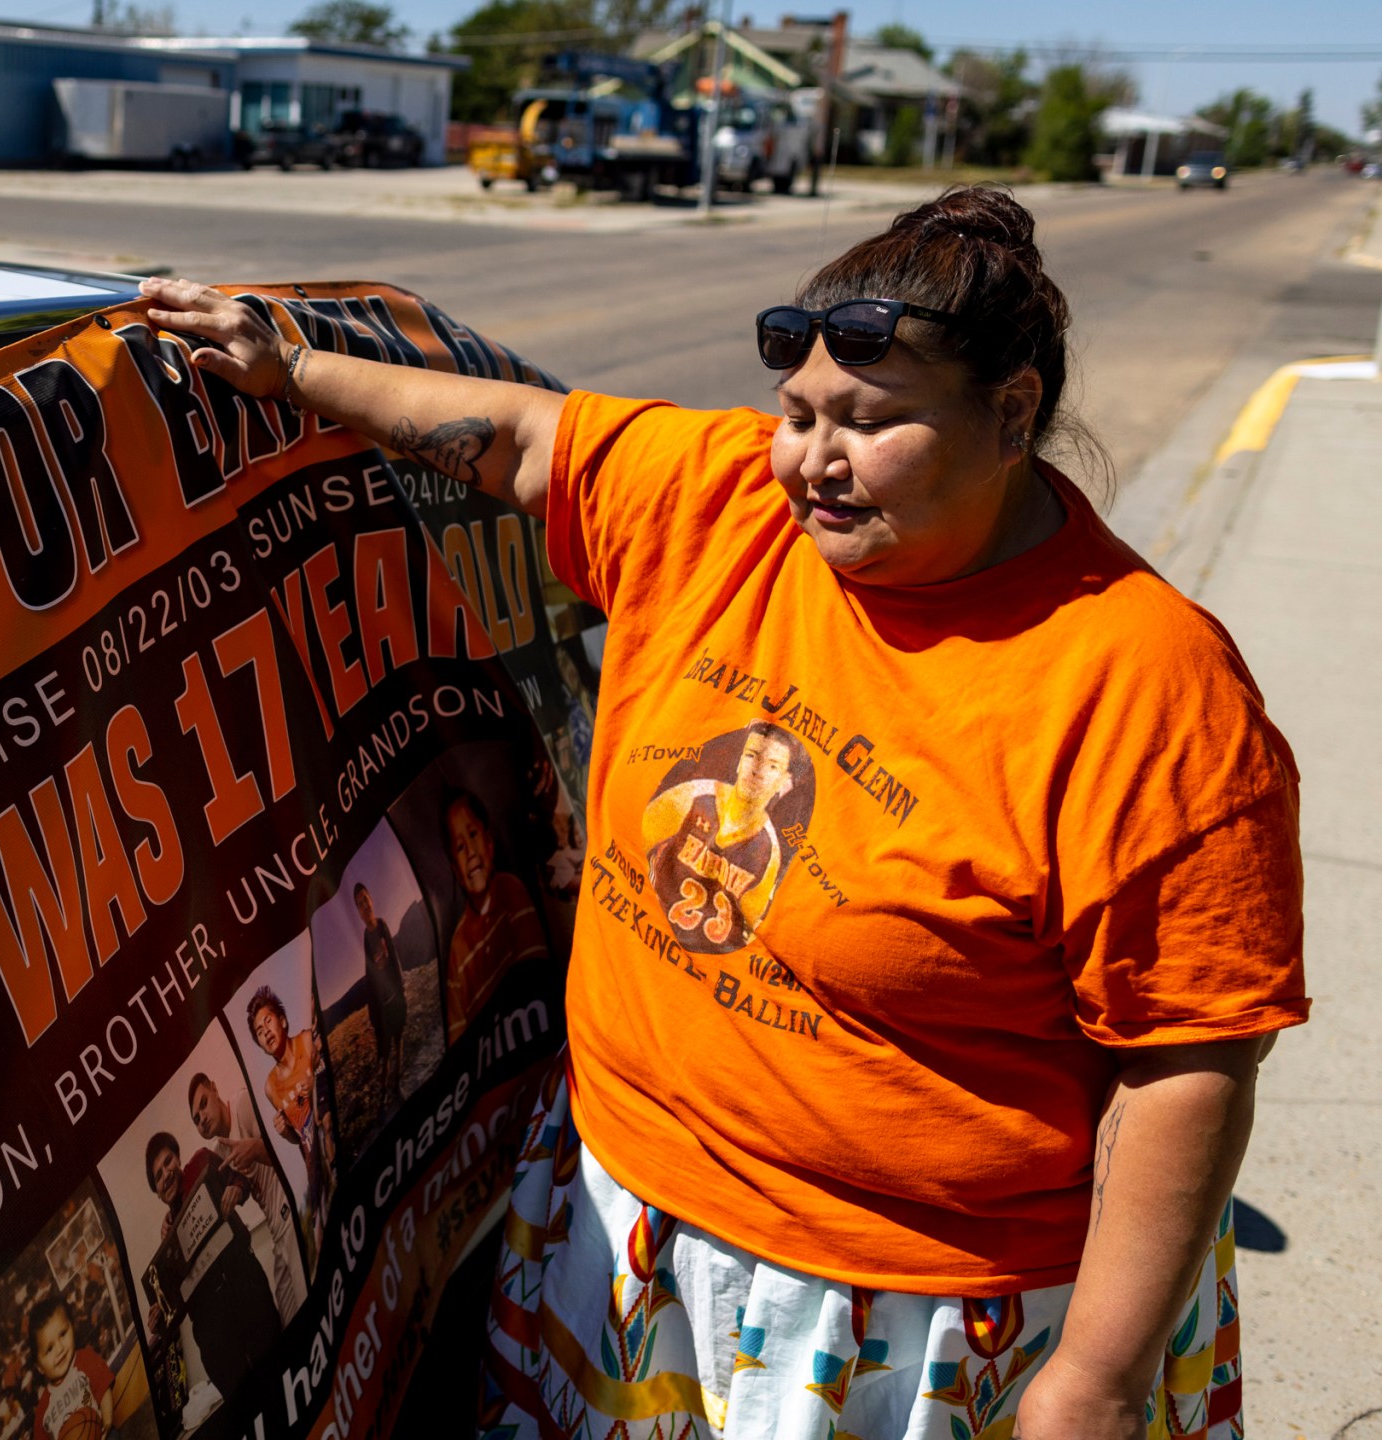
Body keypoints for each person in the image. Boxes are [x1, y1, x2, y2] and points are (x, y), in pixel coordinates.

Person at [138, 184, 1305, 1440]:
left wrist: (1095, 1380)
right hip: (626, 1227)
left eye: (871, 421)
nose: (814, 461)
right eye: (797, 416)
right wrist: (294, 367)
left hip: (905, 1322)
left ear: (1013, 413)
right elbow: (527, 441)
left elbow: (1186, 1065)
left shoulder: (1149, 689)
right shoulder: (719, 502)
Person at [140, 1132, 282, 1409]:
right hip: (213, 1334)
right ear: (157, 1193)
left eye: (168, 1162)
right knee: (246, 1408)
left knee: (279, 1371)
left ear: (178, 1159)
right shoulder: (167, 1242)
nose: (166, 1174)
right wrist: (159, 1320)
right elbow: (172, 1309)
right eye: (158, 1176)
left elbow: (239, 1176)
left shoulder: (202, 1162)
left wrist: (237, 1189)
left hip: (246, 1290)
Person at [641, 721, 799, 953]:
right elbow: (632, 848)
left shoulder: (769, 852)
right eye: (751, 756)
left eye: (772, 766)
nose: (757, 770)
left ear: (783, 784)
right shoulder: (691, 798)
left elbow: (752, 929)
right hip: (652, 936)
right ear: (739, 762)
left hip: (708, 962)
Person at [187, 1073, 305, 1315]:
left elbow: (288, 1149)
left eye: (203, 1103)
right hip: (276, 1230)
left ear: (214, 1088)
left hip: (292, 1214)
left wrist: (255, 1150)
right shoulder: (218, 1151)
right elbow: (239, 1190)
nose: (203, 1119)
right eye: (196, 1119)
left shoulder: (242, 1105)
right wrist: (236, 1189)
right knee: (288, 1314)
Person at [438, 788, 546, 1039]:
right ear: (455, 871)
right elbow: (459, 1041)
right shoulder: (458, 948)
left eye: (473, 835)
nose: (470, 853)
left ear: (489, 842)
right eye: (460, 847)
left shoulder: (512, 892)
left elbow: (536, 978)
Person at [244, 987, 329, 1186]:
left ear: (282, 1021)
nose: (265, 1031)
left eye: (268, 1021)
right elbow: (297, 1137)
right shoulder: (270, 1087)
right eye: (259, 1031)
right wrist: (284, 1133)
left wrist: (316, 1080)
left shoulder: (307, 1041)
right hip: (316, 1168)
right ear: (260, 1044)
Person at [20, 1295, 135, 1440]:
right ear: (39, 1367)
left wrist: (107, 1420)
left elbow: (103, 1389)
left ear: (72, 1327)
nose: (59, 1348)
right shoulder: (43, 1411)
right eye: (49, 1349)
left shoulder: (85, 1359)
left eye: (63, 1334)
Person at [352, 883, 407, 1085]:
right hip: (382, 1005)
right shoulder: (366, 938)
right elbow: (370, 972)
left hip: (395, 996)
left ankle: (398, 1076)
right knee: (384, 1051)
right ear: (358, 912)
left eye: (365, 899)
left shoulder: (382, 925)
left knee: (398, 1037)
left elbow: (393, 956)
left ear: (371, 900)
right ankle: (384, 1090)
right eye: (360, 904)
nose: (364, 906)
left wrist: (401, 986)